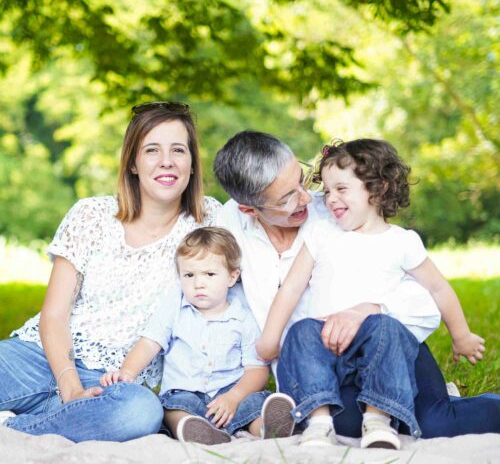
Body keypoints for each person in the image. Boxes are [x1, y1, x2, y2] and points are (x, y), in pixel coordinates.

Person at [213, 130, 500, 443]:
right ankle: (394, 406)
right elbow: (285, 290)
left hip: (386, 344)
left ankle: (419, 404)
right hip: (326, 366)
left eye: (304, 179)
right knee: (342, 424)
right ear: (249, 209)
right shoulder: (233, 226)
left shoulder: (350, 218)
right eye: (287, 198)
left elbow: (432, 291)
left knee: (435, 424)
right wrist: (269, 341)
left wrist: (373, 311)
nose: (313, 197)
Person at [0, 101, 221, 442]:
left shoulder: (212, 222)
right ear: (133, 163)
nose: (167, 161)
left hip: (114, 383)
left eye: (179, 149)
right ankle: (64, 415)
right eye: (152, 150)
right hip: (39, 358)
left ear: (192, 164)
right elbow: (54, 314)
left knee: (141, 413)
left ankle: (14, 427)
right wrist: (70, 389)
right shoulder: (91, 215)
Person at [100, 227, 296, 444]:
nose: (198, 283)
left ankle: (266, 429)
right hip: (185, 393)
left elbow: (257, 370)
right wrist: (127, 371)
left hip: (229, 398)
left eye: (209, 274)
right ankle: (193, 431)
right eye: (189, 275)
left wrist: (233, 397)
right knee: (171, 408)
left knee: (256, 403)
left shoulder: (243, 315)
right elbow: (149, 343)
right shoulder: (175, 304)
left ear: (232, 277)